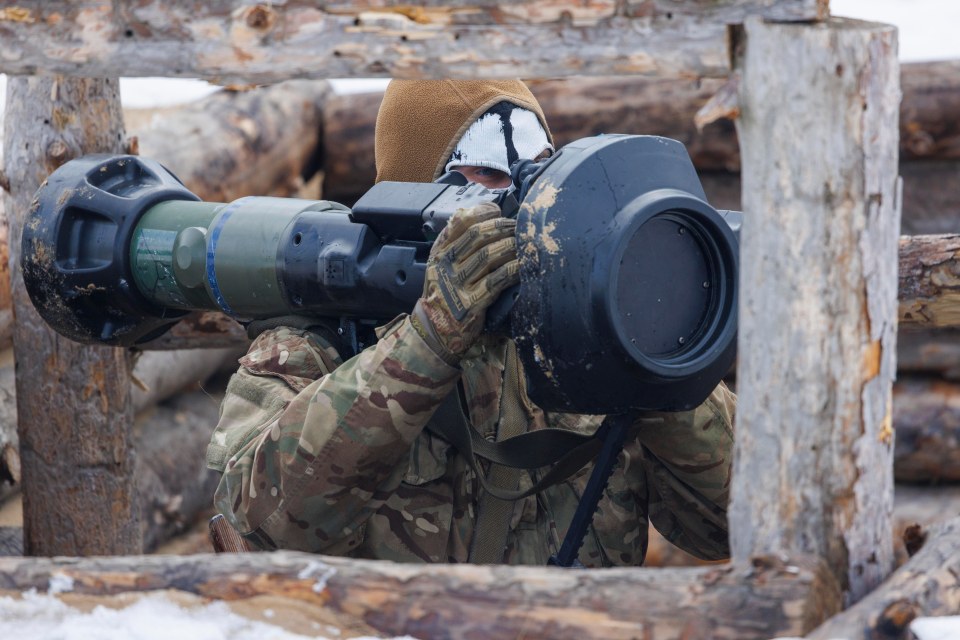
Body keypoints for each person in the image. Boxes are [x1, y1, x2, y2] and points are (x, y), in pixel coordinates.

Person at [206, 79, 736, 566]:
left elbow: (730, 526)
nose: (518, 198)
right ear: (411, 191)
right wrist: (426, 341)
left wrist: (655, 354)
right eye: (485, 173)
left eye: (538, 171)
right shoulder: (321, 341)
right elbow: (261, 531)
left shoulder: (586, 342)